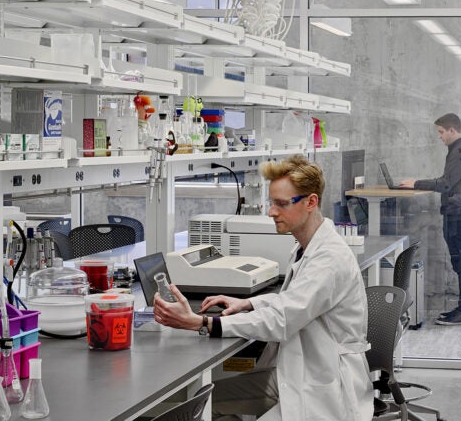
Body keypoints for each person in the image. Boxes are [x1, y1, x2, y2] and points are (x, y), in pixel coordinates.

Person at [153, 154, 374, 421]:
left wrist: (202, 323)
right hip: (299, 373)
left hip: (325, 388)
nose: (271, 212)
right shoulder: (306, 247)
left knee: (203, 405)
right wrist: (248, 303)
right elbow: (293, 302)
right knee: (209, 400)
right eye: (272, 202)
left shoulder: (329, 258)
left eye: (281, 204)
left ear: (311, 202)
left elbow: (283, 320)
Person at [399, 113, 461, 325]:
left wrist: (416, 183)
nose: (440, 136)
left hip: (459, 216)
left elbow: (445, 184)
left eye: (441, 132)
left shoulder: (459, 151)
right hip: (460, 214)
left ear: (453, 130)